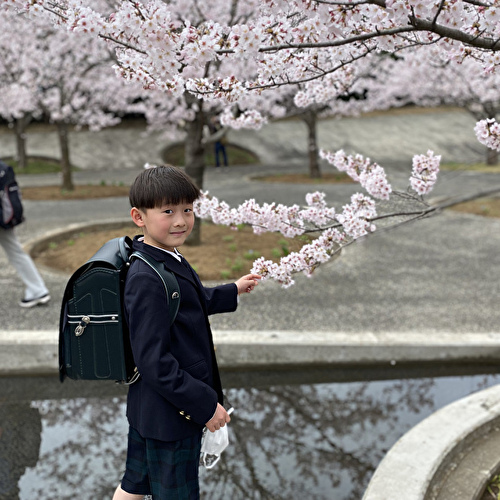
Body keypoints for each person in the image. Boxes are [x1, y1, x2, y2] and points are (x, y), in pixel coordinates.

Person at [113, 165, 260, 500]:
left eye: (187, 210)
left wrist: (232, 290)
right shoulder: (146, 277)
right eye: (167, 211)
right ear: (139, 216)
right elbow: (154, 362)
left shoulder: (164, 256)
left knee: (135, 486)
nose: (180, 220)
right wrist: (205, 406)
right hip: (171, 414)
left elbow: (187, 302)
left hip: (151, 409)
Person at [0, 160, 50, 308]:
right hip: (4, 218)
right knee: (16, 253)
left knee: (15, 252)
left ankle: (37, 290)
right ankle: (38, 290)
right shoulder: (3, 167)